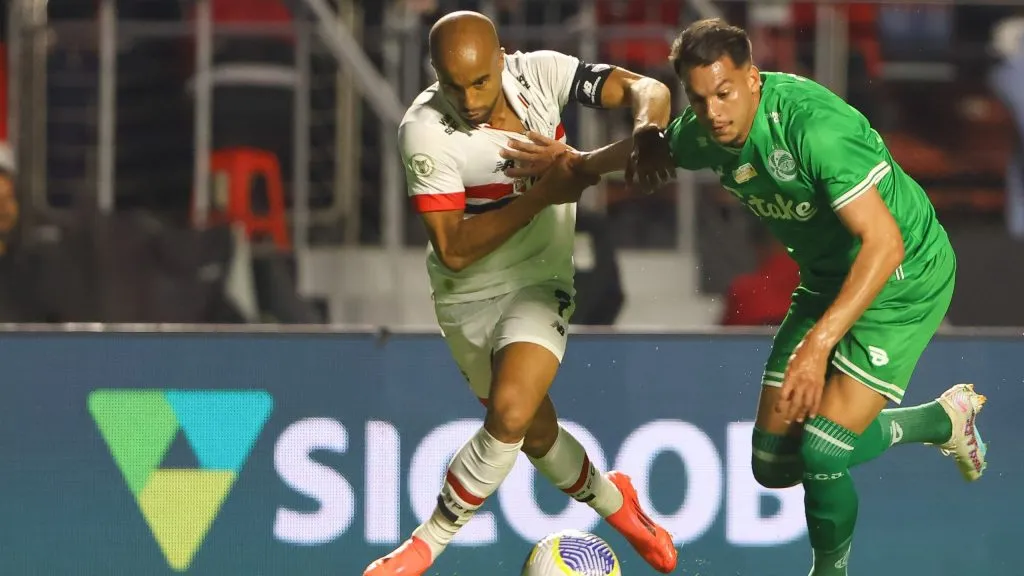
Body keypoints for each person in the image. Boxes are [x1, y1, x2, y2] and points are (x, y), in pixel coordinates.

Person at [501, 18, 988, 576]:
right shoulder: (707, 129)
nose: (713, 112)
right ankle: (939, 422)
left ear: (753, 79)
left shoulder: (814, 128)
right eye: (699, 98)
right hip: (829, 278)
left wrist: (817, 346)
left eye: (725, 93)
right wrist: (574, 166)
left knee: (824, 452)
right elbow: (637, 155)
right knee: (773, 465)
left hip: (904, 279)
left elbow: (884, 244)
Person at [363, 11, 679, 576]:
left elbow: (646, 87)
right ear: (435, 74)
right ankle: (620, 506)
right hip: (465, 294)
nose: (470, 97)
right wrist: (546, 191)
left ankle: (424, 547)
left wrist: (647, 130)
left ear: (502, 56)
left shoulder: (542, 74)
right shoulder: (424, 130)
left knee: (509, 413)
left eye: (480, 80)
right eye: (453, 84)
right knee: (534, 431)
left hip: (541, 281)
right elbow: (455, 248)